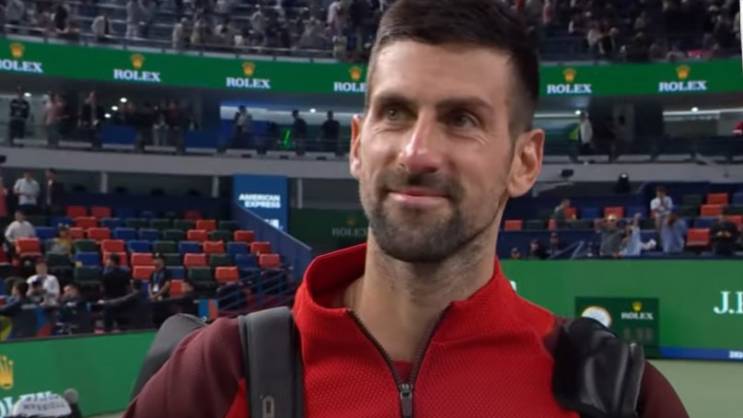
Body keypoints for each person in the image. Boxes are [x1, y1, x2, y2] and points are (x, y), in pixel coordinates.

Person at [126, 2, 688, 417]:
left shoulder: (620, 397)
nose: (417, 153)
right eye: (394, 112)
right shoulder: (217, 375)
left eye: (462, 119)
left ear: (524, 162)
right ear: (356, 145)